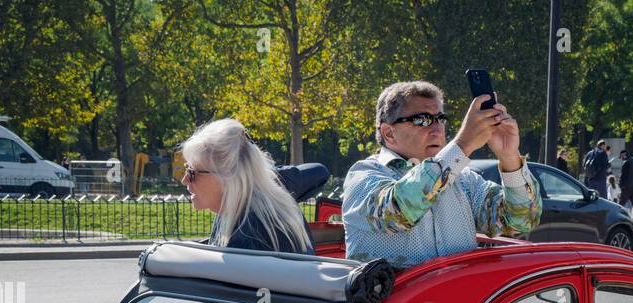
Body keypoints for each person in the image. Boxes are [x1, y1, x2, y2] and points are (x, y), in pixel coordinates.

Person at [342, 80, 541, 269]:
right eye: (422, 120)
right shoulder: (363, 175)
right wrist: (462, 145)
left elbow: (520, 222)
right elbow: (396, 213)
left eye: (441, 119)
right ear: (389, 133)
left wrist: (509, 157)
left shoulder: (463, 180)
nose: (437, 129)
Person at [180, 118, 317, 253]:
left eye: (193, 172)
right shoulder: (264, 205)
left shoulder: (248, 235)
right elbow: (320, 171)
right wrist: (257, 175)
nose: (185, 180)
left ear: (228, 175)